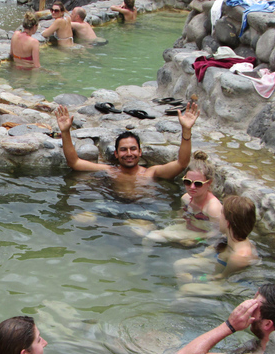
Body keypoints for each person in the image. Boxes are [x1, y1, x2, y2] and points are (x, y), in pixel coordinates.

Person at [54, 101, 200, 183]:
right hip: (112, 209)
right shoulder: (109, 171)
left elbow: (182, 163)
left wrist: (186, 130)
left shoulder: (151, 173)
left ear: (140, 152)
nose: (129, 153)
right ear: (116, 154)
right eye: (123, 150)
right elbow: (74, 163)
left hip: (144, 212)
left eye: (133, 149)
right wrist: (66, 132)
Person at [174, 284, 275, 354]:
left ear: (267, 324)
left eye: (254, 307)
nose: (246, 308)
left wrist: (229, 325)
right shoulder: (267, 345)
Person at [141, 151, 223, 245]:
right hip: (187, 228)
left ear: (209, 183)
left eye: (198, 184)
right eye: (188, 182)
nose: (192, 187)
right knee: (148, 238)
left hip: (202, 235)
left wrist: (196, 239)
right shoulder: (186, 199)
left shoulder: (212, 208)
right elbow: (180, 218)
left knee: (151, 238)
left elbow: (217, 234)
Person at [175, 195, 258, 283]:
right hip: (219, 265)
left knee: (185, 290)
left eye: (221, 214)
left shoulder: (239, 257)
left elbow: (221, 277)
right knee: (179, 265)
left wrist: (195, 279)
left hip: (230, 283)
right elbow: (213, 243)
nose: (219, 218)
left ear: (228, 223)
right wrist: (197, 241)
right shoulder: (233, 236)